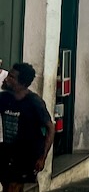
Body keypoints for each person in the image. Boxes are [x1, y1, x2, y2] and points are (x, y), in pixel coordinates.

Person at [0, 63, 55, 192]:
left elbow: (50, 128)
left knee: (14, 186)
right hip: (7, 152)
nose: (6, 79)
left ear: (22, 83)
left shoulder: (34, 102)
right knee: (7, 185)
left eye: (11, 77)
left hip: (26, 155)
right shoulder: (4, 98)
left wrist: (42, 157)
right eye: (8, 75)